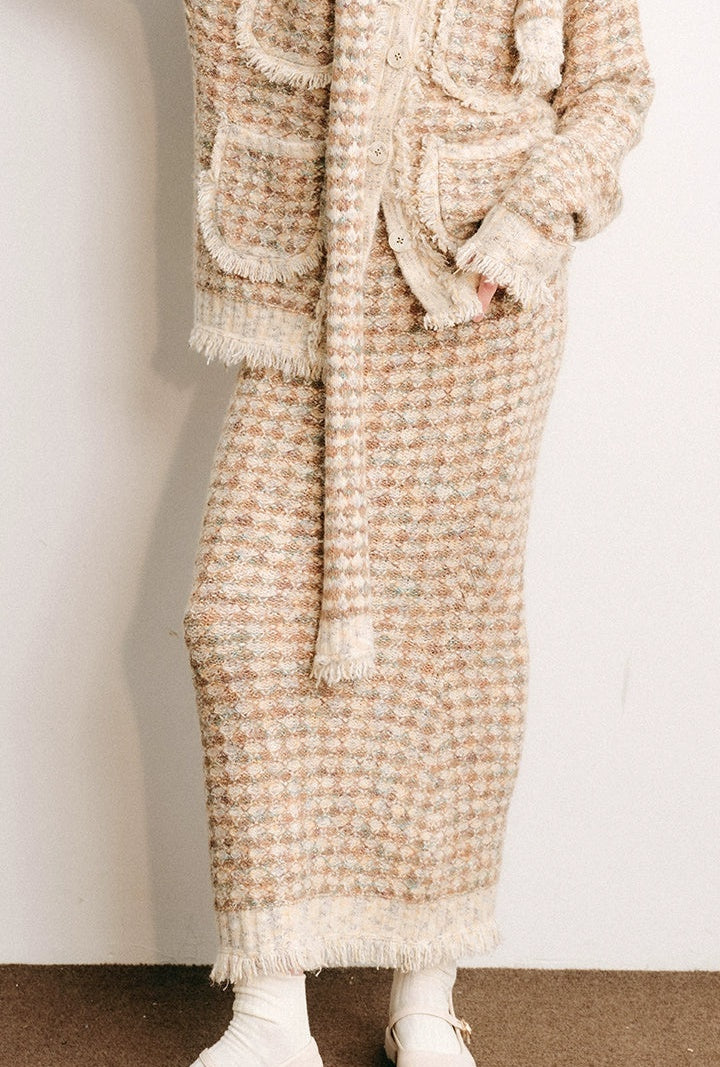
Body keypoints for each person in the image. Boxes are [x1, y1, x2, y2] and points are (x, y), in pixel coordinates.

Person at [180, 0, 655, 1064]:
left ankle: (425, 997)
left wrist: (524, 222)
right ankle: (270, 1012)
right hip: (309, 295)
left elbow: (612, 88)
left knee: (449, 639)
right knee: (237, 622)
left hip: (478, 298)